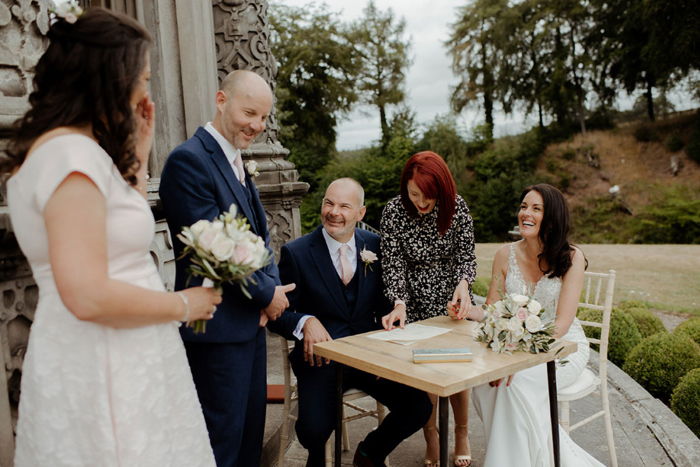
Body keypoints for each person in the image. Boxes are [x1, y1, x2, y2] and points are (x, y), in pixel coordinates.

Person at [3, 7, 221, 466]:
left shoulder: (69, 152)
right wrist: (185, 305)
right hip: (106, 356)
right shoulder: (70, 156)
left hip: (122, 348)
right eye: (141, 77)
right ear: (108, 77)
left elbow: (113, 233)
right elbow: (86, 295)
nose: (145, 91)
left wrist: (138, 158)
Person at [159, 69, 295, 467]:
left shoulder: (236, 161)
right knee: (219, 446)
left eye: (264, 117)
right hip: (215, 335)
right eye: (249, 113)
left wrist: (269, 290)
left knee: (248, 442)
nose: (257, 125)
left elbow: (259, 241)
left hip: (247, 329)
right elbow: (214, 251)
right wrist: (268, 294)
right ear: (221, 101)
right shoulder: (189, 162)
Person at [268, 178, 433, 467]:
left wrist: (389, 345)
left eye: (344, 206)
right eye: (328, 203)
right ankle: (316, 460)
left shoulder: (376, 245)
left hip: (369, 357)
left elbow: (385, 306)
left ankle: (369, 453)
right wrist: (305, 320)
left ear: (361, 213)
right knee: (314, 430)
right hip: (320, 359)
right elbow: (278, 314)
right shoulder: (297, 252)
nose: (334, 212)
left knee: (418, 407)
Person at [467, 184, 603, 466]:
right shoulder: (504, 255)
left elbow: (562, 324)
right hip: (515, 344)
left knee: (514, 385)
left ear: (551, 218)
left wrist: (519, 360)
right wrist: (468, 311)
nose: (525, 213)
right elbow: (494, 309)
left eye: (536, 209)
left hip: (561, 349)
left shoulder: (572, 257)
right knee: (483, 384)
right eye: (523, 206)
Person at [380, 151, 477, 467]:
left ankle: (461, 433)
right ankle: (432, 436)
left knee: (457, 372)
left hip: (452, 299)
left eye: (428, 196)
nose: (421, 203)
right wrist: (399, 302)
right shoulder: (393, 213)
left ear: (443, 191)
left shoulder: (457, 208)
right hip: (414, 302)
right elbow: (393, 264)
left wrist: (463, 284)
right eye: (414, 194)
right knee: (426, 379)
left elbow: (466, 256)